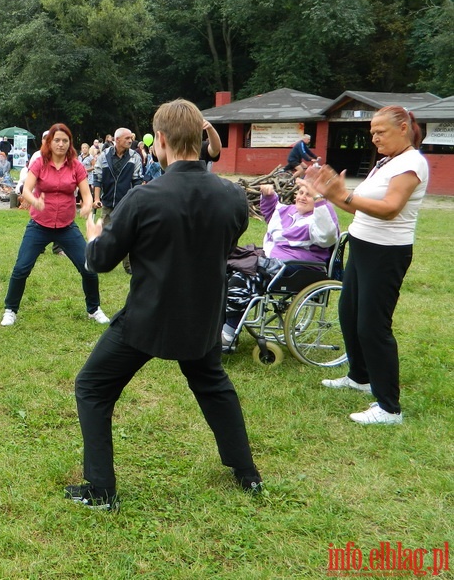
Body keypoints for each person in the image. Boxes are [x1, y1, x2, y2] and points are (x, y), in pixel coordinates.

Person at [66, 99, 261, 512]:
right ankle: (248, 475)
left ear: (163, 142)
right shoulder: (232, 197)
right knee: (214, 387)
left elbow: (100, 262)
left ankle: (101, 491)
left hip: (149, 320)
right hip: (204, 317)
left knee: (92, 387)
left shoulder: (143, 199)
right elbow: (225, 242)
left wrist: (94, 234)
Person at [312, 106, 429, 425]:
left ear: (403, 128)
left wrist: (343, 196)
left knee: (373, 327)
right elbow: (362, 208)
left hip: (386, 253)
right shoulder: (387, 163)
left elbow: (390, 209)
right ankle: (359, 377)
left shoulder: (412, 163)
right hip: (363, 247)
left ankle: (389, 408)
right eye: (372, 132)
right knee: (349, 315)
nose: (374, 138)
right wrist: (329, 193)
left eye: (381, 131)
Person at [1, 123, 109, 327]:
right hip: (39, 225)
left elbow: (86, 195)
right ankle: (10, 310)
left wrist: (86, 207)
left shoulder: (76, 165)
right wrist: (34, 201)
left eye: (65, 141)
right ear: (49, 142)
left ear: (70, 144)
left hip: (67, 227)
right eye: (57, 140)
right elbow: (26, 189)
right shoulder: (40, 163)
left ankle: (94, 309)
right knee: (21, 268)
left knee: (88, 268)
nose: (60, 144)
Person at [222, 181, 340, 346]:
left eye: (308, 194)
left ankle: (228, 334)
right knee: (226, 267)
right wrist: (269, 196)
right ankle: (220, 324)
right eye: (300, 192)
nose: (302, 197)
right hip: (273, 261)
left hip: (297, 267)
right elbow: (272, 212)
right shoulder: (290, 211)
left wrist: (320, 201)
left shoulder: (321, 219)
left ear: (320, 200)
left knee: (245, 276)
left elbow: (327, 236)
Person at [92, 127, 144, 274]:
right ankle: (100, 263)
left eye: (131, 138)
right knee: (103, 234)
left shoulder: (135, 157)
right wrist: (96, 199)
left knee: (127, 235)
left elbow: (137, 182)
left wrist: (136, 202)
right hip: (107, 203)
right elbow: (97, 178)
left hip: (126, 204)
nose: (130, 141)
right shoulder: (104, 156)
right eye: (127, 138)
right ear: (117, 140)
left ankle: (129, 267)